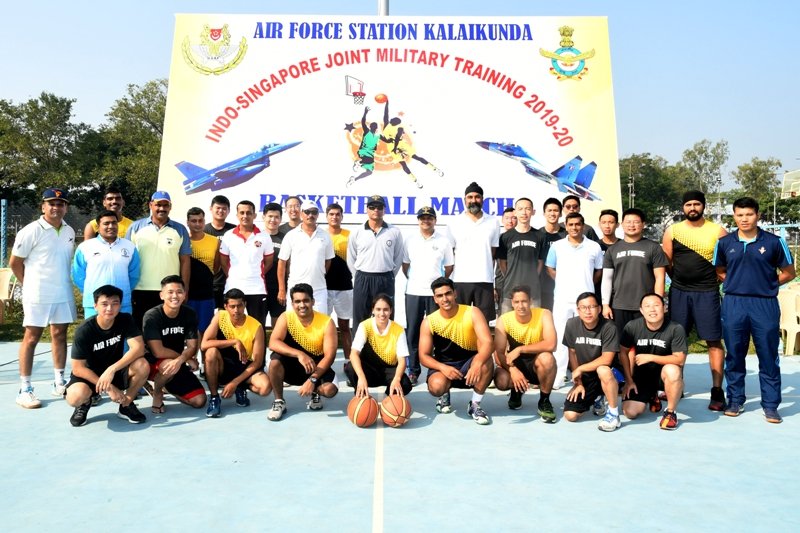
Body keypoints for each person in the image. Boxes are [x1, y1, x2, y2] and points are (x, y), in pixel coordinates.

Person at [713, 196, 794, 423]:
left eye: (749, 214)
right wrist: (737, 284)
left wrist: (767, 284)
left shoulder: (774, 242)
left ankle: (770, 405)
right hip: (734, 303)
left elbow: (789, 272)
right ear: (734, 216)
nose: (744, 219)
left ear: (758, 215)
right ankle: (735, 400)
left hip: (764, 304)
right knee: (735, 354)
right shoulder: (725, 242)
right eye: (739, 215)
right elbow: (720, 270)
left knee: (768, 355)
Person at [10, 187, 77, 408]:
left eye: (60, 204)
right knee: (31, 338)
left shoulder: (68, 230)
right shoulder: (31, 230)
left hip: (62, 292)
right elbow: (15, 263)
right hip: (37, 294)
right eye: (51, 203)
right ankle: (25, 388)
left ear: (65, 207)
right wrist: (29, 285)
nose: (56, 207)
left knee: (59, 335)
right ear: (43, 206)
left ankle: (59, 382)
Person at [662, 191, 727, 411]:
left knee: (713, 341)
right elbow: (667, 263)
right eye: (688, 204)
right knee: (676, 342)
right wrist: (679, 283)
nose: (692, 207)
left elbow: (727, 262)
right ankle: (675, 386)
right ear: (683, 208)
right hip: (679, 293)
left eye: (696, 204)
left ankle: (717, 391)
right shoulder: (672, 231)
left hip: (708, 293)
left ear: (703, 207)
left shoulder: (718, 231)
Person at [65, 285, 149, 426]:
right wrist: (109, 388)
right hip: (90, 375)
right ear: (95, 306)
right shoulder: (84, 330)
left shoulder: (125, 319)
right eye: (104, 304)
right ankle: (85, 403)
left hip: (114, 372)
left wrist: (112, 369)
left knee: (142, 365)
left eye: (114, 303)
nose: (109, 309)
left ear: (120, 305)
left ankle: (126, 405)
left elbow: (139, 348)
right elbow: (78, 368)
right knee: (75, 397)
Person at [418, 277, 494, 425]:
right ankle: (444, 394)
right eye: (440, 296)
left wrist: (477, 363)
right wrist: (442, 367)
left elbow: (488, 342)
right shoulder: (429, 322)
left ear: (455, 294)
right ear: (435, 299)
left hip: (469, 362)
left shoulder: (472, 312)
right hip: (445, 364)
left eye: (448, 294)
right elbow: (423, 356)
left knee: (486, 362)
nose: (445, 299)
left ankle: (475, 404)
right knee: (436, 386)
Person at [545, 212, 603, 387]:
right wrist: (563, 281)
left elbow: (599, 271)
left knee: (586, 339)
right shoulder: (557, 246)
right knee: (561, 337)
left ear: (583, 226)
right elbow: (550, 267)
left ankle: (586, 373)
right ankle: (560, 374)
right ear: (566, 226)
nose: (574, 228)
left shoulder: (594, 247)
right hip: (562, 299)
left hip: (586, 303)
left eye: (578, 224)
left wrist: (586, 286)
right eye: (570, 225)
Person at [267, 284, 339, 421]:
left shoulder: (326, 322)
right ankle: (278, 402)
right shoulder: (286, 317)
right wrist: (300, 354)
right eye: (297, 301)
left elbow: (330, 356)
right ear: (292, 303)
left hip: (316, 368)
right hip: (292, 366)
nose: (302, 305)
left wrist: (313, 379)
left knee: (329, 390)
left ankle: (315, 393)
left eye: (306, 300)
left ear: (313, 301)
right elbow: (273, 343)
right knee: (274, 363)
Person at [402, 206, 454, 385]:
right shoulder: (409, 240)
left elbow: (448, 267)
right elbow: (405, 266)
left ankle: (437, 368)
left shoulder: (444, 241)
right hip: (414, 292)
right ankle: (413, 371)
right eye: (422, 218)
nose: (426, 221)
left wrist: (438, 287)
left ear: (435, 220)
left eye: (429, 218)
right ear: (418, 220)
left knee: (437, 333)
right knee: (413, 332)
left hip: (435, 295)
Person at [620, 293, 687, 430]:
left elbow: (679, 359)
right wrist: (629, 380)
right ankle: (651, 395)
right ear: (641, 310)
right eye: (647, 306)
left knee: (673, 370)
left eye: (656, 305)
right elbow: (623, 352)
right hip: (641, 376)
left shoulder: (675, 328)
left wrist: (651, 357)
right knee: (630, 413)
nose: (652, 309)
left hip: (663, 375)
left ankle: (670, 412)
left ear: (665, 308)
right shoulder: (632, 326)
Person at [201, 289, 272, 418]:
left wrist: (235, 382)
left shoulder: (256, 327)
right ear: (225, 307)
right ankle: (214, 397)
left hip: (245, 366)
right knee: (210, 353)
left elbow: (257, 362)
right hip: (224, 364)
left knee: (265, 388)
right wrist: (234, 342)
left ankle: (240, 388)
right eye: (232, 306)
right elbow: (204, 344)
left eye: (239, 306)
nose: (236, 310)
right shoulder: (220, 317)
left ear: (245, 304)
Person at [492, 285, 557, 423]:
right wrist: (513, 370)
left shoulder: (544, 314)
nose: (520, 306)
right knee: (501, 379)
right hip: (515, 364)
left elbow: (551, 344)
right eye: (516, 302)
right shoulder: (504, 320)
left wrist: (520, 349)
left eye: (524, 301)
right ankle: (516, 391)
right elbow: (498, 353)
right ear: (512, 303)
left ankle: (544, 401)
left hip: (536, 364)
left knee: (548, 358)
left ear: (531, 301)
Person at [127, 191, 192, 329]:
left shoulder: (180, 230)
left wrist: (184, 289)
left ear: (170, 207)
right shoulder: (135, 228)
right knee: (142, 330)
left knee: (165, 332)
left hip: (169, 290)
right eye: (158, 205)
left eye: (165, 205)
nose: (161, 208)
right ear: (151, 205)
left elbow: (185, 261)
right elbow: (127, 259)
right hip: (140, 289)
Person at [142, 275, 207, 413]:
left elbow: (192, 346)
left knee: (199, 401)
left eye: (179, 292)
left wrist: (181, 360)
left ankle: (166, 385)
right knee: (168, 365)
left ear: (184, 295)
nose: (175, 296)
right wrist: (185, 358)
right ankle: (157, 393)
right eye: (170, 292)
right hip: (151, 363)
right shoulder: (152, 316)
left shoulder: (189, 313)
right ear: (161, 295)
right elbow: (157, 351)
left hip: (175, 362)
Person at [601, 208, 669, 340]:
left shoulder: (653, 247)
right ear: (621, 224)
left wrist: (656, 303)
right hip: (619, 305)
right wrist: (605, 305)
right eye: (628, 222)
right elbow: (607, 279)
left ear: (643, 224)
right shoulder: (613, 249)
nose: (632, 225)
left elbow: (660, 277)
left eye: (636, 222)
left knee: (645, 341)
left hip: (645, 306)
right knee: (622, 343)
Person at [562, 292, 621, 431]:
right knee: (570, 415)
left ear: (599, 309)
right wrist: (578, 382)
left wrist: (580, 369)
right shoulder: (571, 324)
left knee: (603, 370)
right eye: (583, 307)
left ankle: (613, 414)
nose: (588, 311)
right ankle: (598, 397)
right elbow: (572, 352)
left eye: (592, 307)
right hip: (587, 376)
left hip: (611, 374)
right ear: (578, 310)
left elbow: (607, 359)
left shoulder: (609, 327)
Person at [447, 182, 501, 323]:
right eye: (470, 197)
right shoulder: (454, 222)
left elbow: (493, 251)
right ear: (465, 200)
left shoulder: (493, 222)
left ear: (482, 199)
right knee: (459, 322)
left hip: (485, 279)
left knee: (483, 323)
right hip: (460, 280)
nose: (473, 200)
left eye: (477, 197)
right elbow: (450, 252)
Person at [347, 194, 404, 326]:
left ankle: (385, 346)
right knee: (360, 317)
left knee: (385, 317)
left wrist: (388, 274)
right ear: (367, 209)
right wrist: (360, 276)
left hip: (385, 278)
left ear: (384, 209)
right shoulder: (357, 231)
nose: (376, 210)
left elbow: (398, 256)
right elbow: (351, 257)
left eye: (379, 207)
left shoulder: (394, 231)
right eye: (372, 207)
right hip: (363, 278)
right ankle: (359, 347)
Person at [72, 209, 140, 319]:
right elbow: (78, 274)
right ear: (98, 227)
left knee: (123, 335)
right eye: (106, 223)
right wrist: (90, 293)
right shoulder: (85, 247)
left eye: (114, 223)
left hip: (122, 303)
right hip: (94, 304)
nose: (111, 226)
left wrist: (124, 292)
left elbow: (134, 274)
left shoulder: (129, 247)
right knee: (95, 335)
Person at [345, 294, 413, 397]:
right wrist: (361, 377)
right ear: (373, 310)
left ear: (391, 311)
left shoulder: (398, 330)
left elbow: (402, 360)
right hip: (369, 370)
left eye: (385, 309)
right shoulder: (365, 326)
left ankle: (390, 398)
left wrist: (397, 379)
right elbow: (353, 354)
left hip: (389, 370)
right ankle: (361, 393)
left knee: (406, 384)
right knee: (350, 368)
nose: (382, 313)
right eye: (378, 309)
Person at [219, 200, 274, 326]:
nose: (245, 216)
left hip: (257, 289)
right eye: (242, 213)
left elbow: (269, 262)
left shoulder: (264, 236)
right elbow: (223, 261)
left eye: (249, 213)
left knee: (257, 327)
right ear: (237, 215)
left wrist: (257, 273)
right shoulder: (229, 235)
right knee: (231, 328)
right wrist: (234, 275)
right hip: (233, 288)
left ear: (254, 215)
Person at [277, 199, 334, 313]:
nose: (310, 215)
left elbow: (328, 261)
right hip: (295, 289)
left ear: (318, 215)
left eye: (314, 212)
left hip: (318, 290)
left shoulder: (325, 235)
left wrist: (318, 273)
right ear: (301, 213)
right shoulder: (291, 235)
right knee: (294, 326)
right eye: (307, 212)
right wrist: (282, 289)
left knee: (320, 326)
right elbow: (282, 263)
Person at [379, 97, 443, 188]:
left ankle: (434, 169)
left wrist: (395, 147)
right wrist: (387, 103)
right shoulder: (387, 124)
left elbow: (397, 139)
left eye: (394, 122)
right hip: (391, 146)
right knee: (403, 164)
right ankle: (415, 180)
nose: (392, 122)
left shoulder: (400, 128)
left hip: (399, 143)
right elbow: (386, 114)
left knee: (416, 157)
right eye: (392, 121)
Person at [497, 197, 544, 312]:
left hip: (533, 292)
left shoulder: (540, 236)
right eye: (520, 209)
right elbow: (502, 263)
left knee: (534, 327)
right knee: (505, 326)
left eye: (527, 209)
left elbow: (540, 262)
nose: (524, 212)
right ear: (515, 212)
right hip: (510, 291)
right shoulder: (505, 237)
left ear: (533, 212)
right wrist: (511, 276)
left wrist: (531, 277)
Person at [325, 203, 354, 360]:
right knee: (324, 326)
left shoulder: (350, 235)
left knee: (344, 326)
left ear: (342, 217)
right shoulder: (321, 235)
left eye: (337, 214)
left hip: (344, 286)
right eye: (331, 214)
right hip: (324, 287)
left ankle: (349, 361)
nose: (334, 217)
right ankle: (325, 358)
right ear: (327, 216)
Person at [185, 207, 219, 335]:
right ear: (187, 222)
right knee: (189, 331)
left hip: (206, 293)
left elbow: (216, 266)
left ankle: (206, 356)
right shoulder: (183, 240)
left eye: (200, 220)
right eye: (194, 221)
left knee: (205, 331)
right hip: (188, 294)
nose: (198, 224)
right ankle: (189, 356)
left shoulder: (215, 241)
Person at [203, 195, 235, 309]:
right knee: (208, 316)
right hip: (208, 282)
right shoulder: (203, 230)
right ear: (211, 209)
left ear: (228, 211)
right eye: (218, 208)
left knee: (226, 317)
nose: (221, 211)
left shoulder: (234, 231)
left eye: (224, 208)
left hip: (229, 282)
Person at [537, 198, 566, 311]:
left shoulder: (567, 235)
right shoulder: (537, 235)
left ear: (561, 213)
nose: (552, 213)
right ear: (544, 213)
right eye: (549, 210)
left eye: (555, 210)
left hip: (563, 286)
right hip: (542, 286)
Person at [262, 202, 286, 327]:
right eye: (270, 216)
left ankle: (276, 347)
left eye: (276, 217)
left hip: (279, 289)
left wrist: (283, 289)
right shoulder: (256, 238)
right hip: (260, 289)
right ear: (263, 217)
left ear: (281, 219)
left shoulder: (286, 239)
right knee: (257, 325)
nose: (273, 220)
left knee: (278, 326)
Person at [347, 106, 380, 186]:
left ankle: (354, 179)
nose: (374, 128)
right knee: (370, 161)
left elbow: (387, 140)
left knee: (369, 172)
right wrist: (365, 112)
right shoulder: (367, 132)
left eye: (375, 127)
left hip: (370, 154)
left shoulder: (377, 136)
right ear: (371, 127)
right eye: (374, 127)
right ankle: (359, 162)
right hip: (363, 151)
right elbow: (363, 122)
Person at [493, 207, 517, 312]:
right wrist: (492, 286)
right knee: (504, 316)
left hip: (520, 282)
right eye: (507, 218)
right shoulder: (498, 239)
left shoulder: (524, 237)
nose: (510, 221)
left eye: (513, 218)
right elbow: (491, 263)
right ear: (502, 220)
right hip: (501, 284)